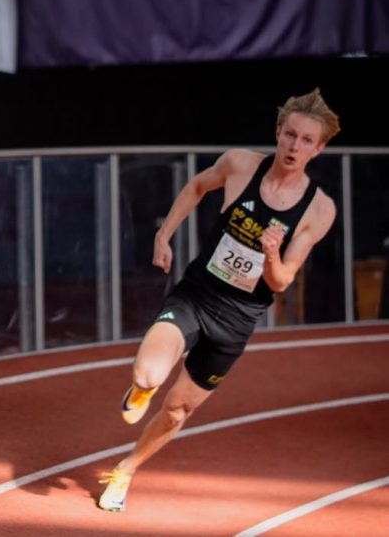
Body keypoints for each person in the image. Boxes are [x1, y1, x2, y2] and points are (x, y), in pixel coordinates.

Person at [98, 88, 340, 512]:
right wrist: (164, 234)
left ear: (318, 148)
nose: (294, 146)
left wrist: (270, 254)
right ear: (278, 133)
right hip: (197, 293)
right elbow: (196, 186)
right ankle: (140, 388)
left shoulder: (318, 210)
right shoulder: (241, 164)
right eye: (289, 135)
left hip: (237, 321)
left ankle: (126, 469)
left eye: (306, 140)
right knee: (151, 374)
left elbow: (282, 281)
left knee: (175, 412)